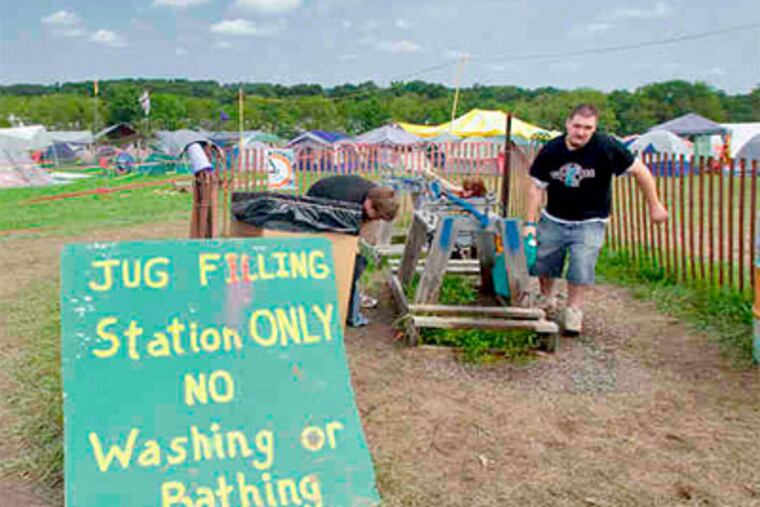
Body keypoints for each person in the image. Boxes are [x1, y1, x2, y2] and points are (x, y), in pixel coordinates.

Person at [524, 104, 668, 335]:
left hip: (591, 220)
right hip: (554, 217)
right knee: (545, 263)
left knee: (581, 265)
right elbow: (536, 187)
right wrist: (530, 224)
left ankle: (574, 310)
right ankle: (547, 298)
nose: (581, 132)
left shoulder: (606, 146)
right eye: (577, 126)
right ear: (567, 124)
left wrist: (655, 205)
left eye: (587, 128)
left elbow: (641, 171)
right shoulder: (552, 150)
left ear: (595, 128)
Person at [306, 175, 400, 327]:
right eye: (376, 216)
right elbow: (340, 234)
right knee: (336, 255)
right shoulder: (346, 203)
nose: (376, 220)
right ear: (369, 204)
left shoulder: (378, 196)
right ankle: (326, 296)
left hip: (350, 206)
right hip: (319, 205)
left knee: (358, 257)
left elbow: (363, 229)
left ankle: (349, 295)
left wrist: (358, 246)